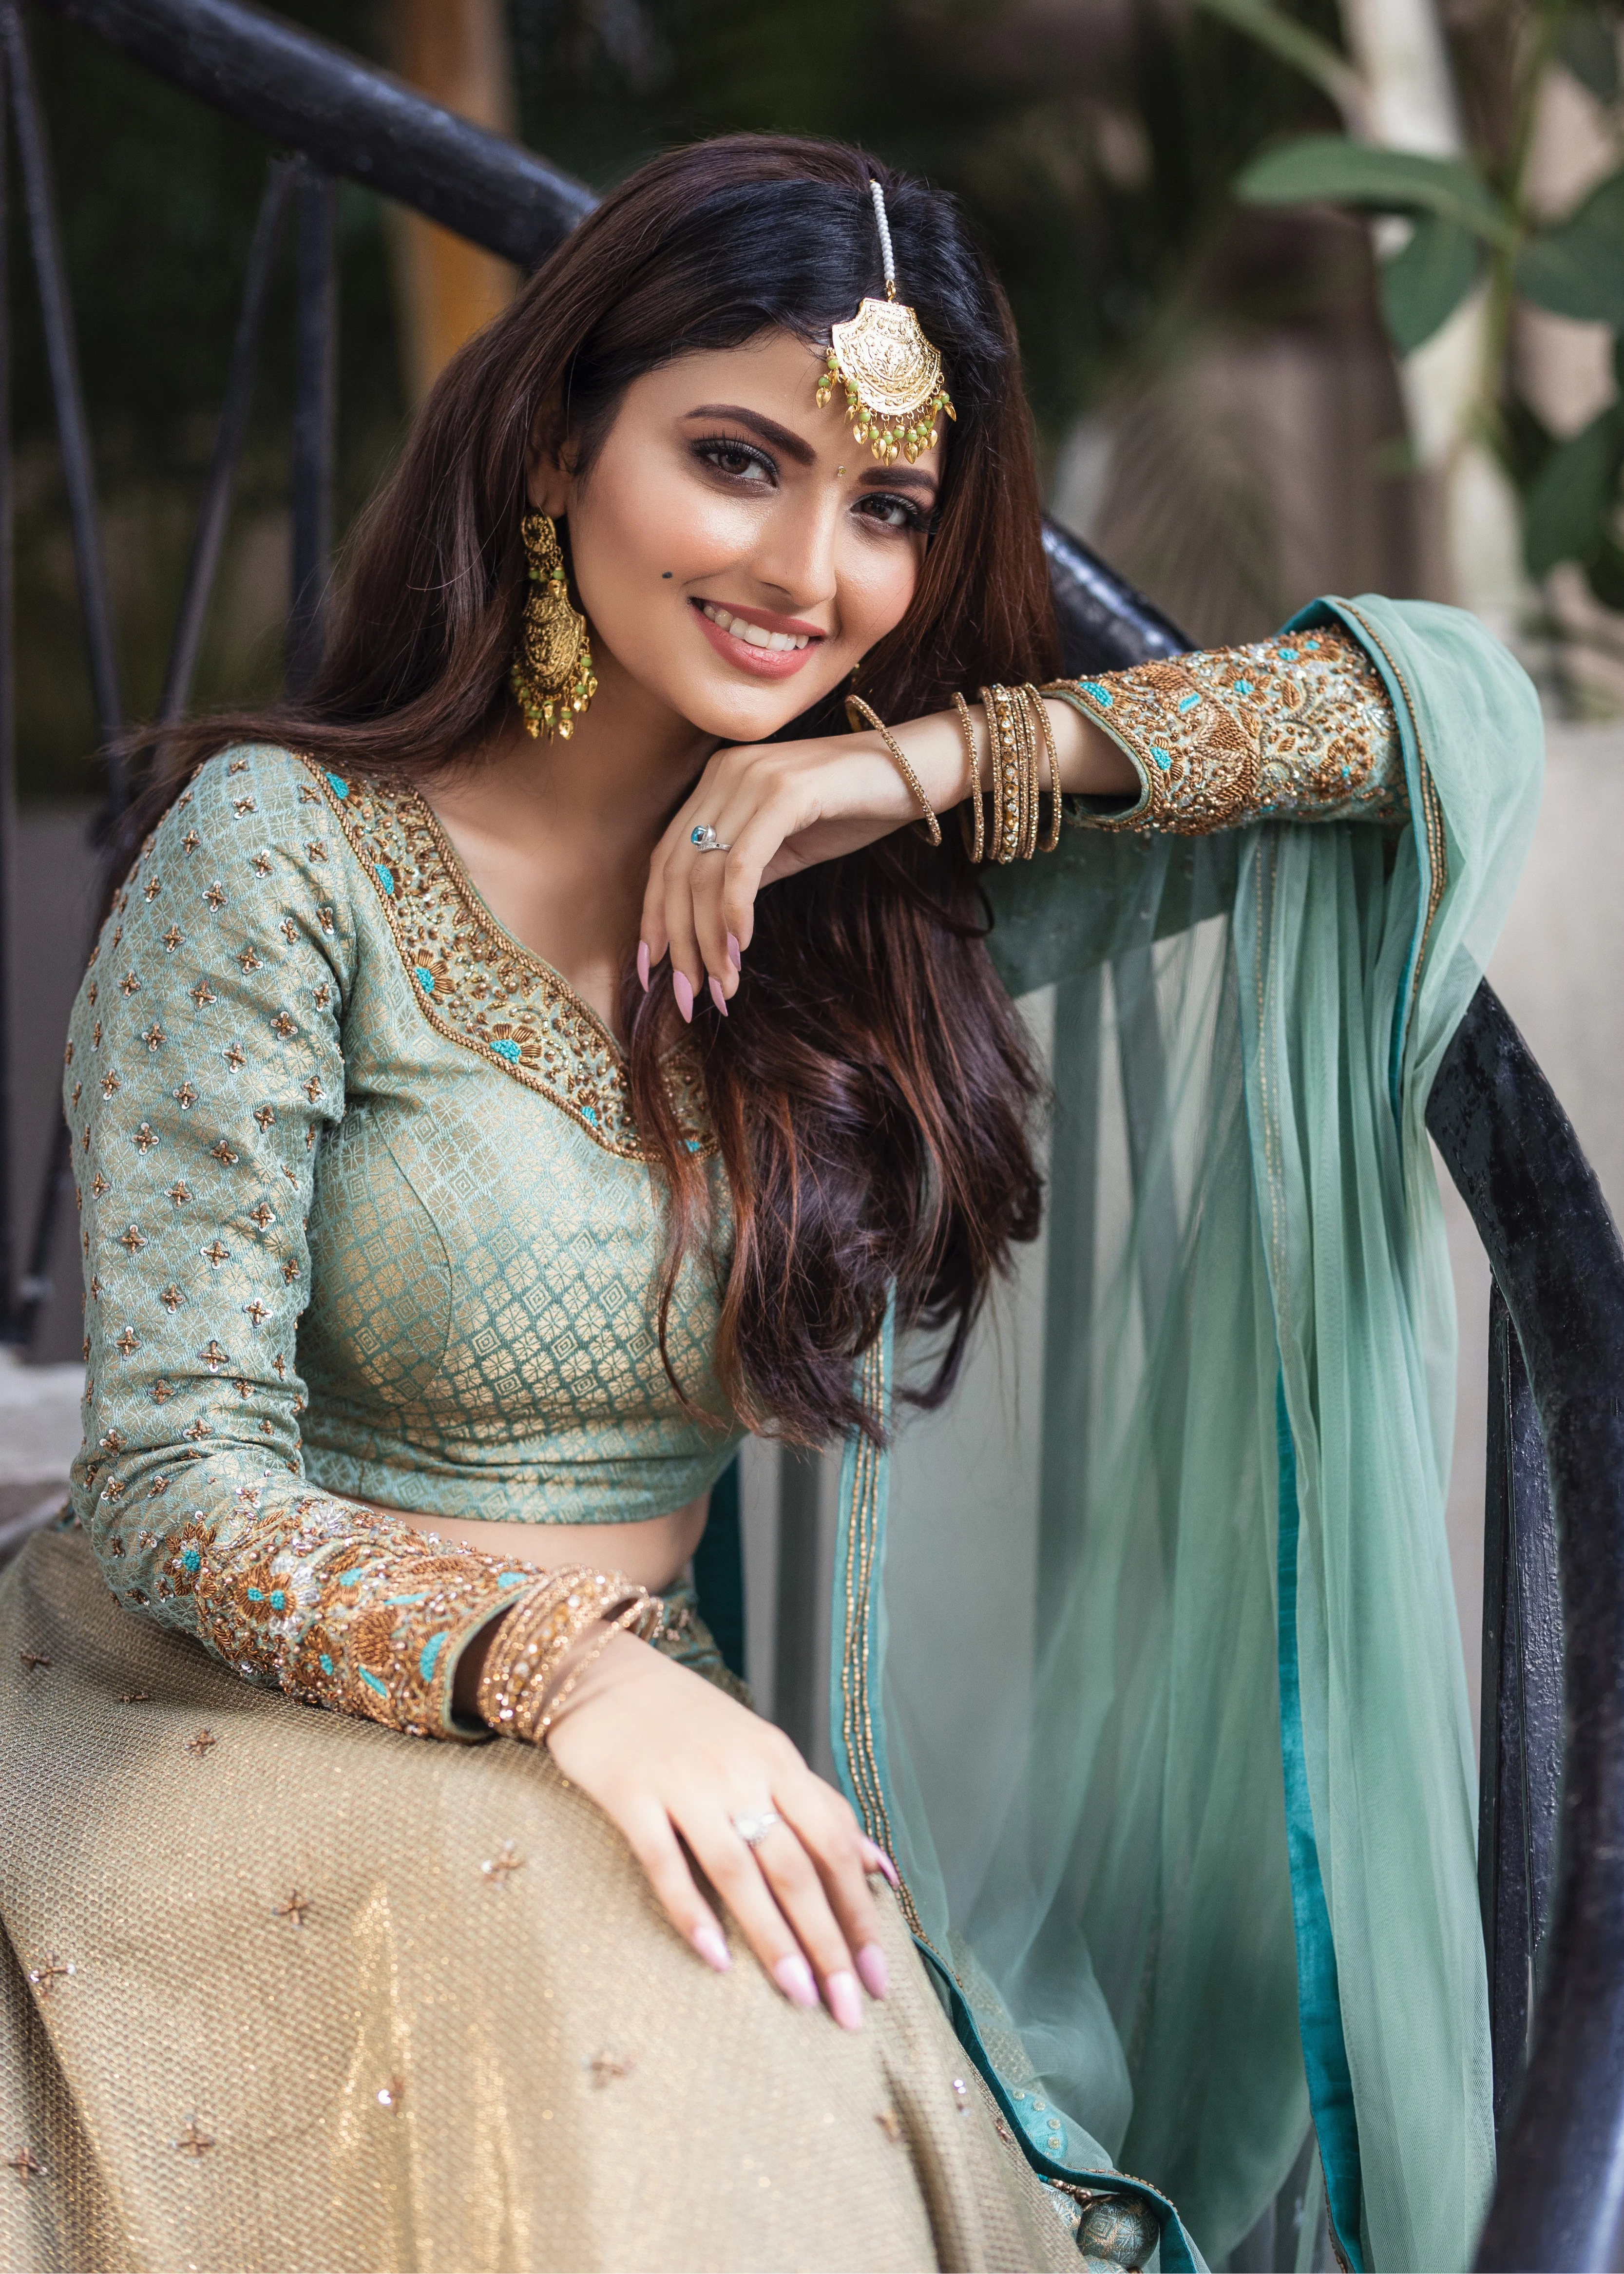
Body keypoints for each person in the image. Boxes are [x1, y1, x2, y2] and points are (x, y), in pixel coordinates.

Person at [0, 134, 1541, 2274]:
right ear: (555, 441)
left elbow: (1421, 716)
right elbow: (170, 1476)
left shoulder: (864, 913)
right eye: (735, 459)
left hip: (648, 1745)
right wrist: (575, 1680)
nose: (810, 570)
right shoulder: (284, 856)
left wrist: (894, 768)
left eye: (884, 505)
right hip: (258, 1714)